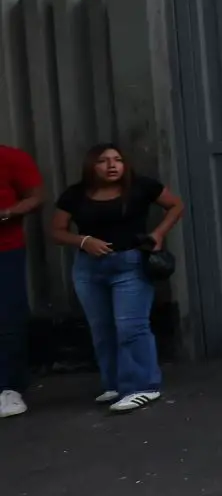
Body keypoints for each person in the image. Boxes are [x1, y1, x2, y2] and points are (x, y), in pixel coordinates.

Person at [47, 144, 184, 413]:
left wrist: (158, 234)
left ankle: (143, 386)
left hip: (129, 264)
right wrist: (84, 241)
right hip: (89, 269)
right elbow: (56, 231)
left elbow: (175, 205)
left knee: (131, 327)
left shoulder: (141, 187)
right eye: (103, 161)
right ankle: (116, 384)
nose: (112, 165)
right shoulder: (75, 195)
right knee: (102, 329)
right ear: (91, 166)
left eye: (118, 160)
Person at [0, 142, 45, 419]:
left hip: (5, 250)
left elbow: (36, 196)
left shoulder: (11, 157)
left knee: (7, 317)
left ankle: (8, 388)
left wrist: (7, 212)